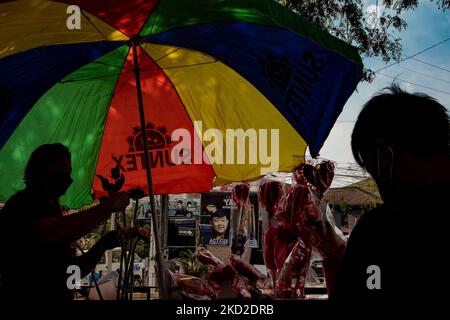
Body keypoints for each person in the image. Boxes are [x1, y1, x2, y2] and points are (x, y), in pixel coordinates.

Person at [311, 84, 450, 301]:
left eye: (371, 169)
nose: (380, 188)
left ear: (385, 155)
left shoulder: (381, 229)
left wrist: (333, 257)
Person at [0, 143, 130, 301]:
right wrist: (106, 208)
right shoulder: (24, 203)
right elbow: (54, 232)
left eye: (68, 172)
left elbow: (72, 272)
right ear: (39, 170)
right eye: (60, 170)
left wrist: (102, 245)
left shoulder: (52, 208)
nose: (67, 177)